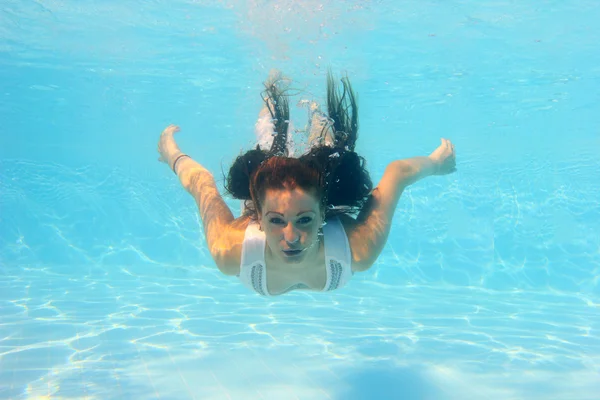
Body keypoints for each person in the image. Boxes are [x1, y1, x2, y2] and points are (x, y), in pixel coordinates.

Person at [157, 70, 456, 296]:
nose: (291, 236)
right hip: (271, 193)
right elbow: (202, 186)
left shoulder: (356, 248)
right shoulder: (231, 251)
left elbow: (398, 173)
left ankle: (313, 127)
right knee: (271, 145)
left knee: (304, 148)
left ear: (322, 214)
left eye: (304, 219)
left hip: (311, 197)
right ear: (258, 217)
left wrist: (436, 164)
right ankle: (274, 100)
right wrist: (171, 153)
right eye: (276, 220)